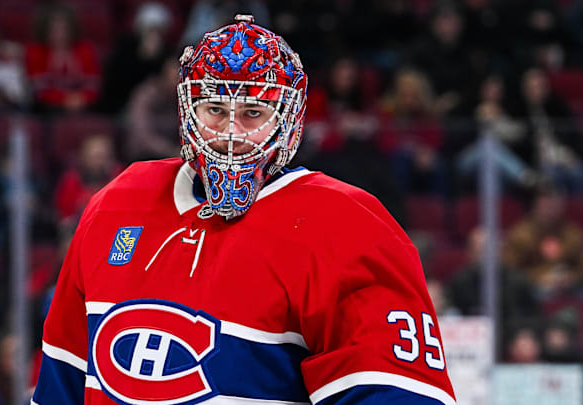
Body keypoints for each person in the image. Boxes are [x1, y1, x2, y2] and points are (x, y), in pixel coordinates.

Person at [33, 16, 455, 405]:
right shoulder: (115, 205)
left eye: (253, 113)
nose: (231, 133)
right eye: (215, 109)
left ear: (289, 120)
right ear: (187, 112)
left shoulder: (347, 225)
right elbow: (61, 387)